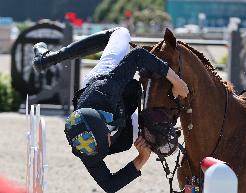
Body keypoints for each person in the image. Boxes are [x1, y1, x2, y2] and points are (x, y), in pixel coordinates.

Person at [33, 27, 189, 193]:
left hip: (105, 80)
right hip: (117, 119)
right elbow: (109, 184)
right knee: (158, 138)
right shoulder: (85, 146)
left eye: (104, 144)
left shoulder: (106, 89)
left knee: (122, 33)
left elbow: (138, 55)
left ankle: (46, 59)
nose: (103, 151)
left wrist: (177, 81)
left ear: (105, 133)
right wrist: (142, 158)